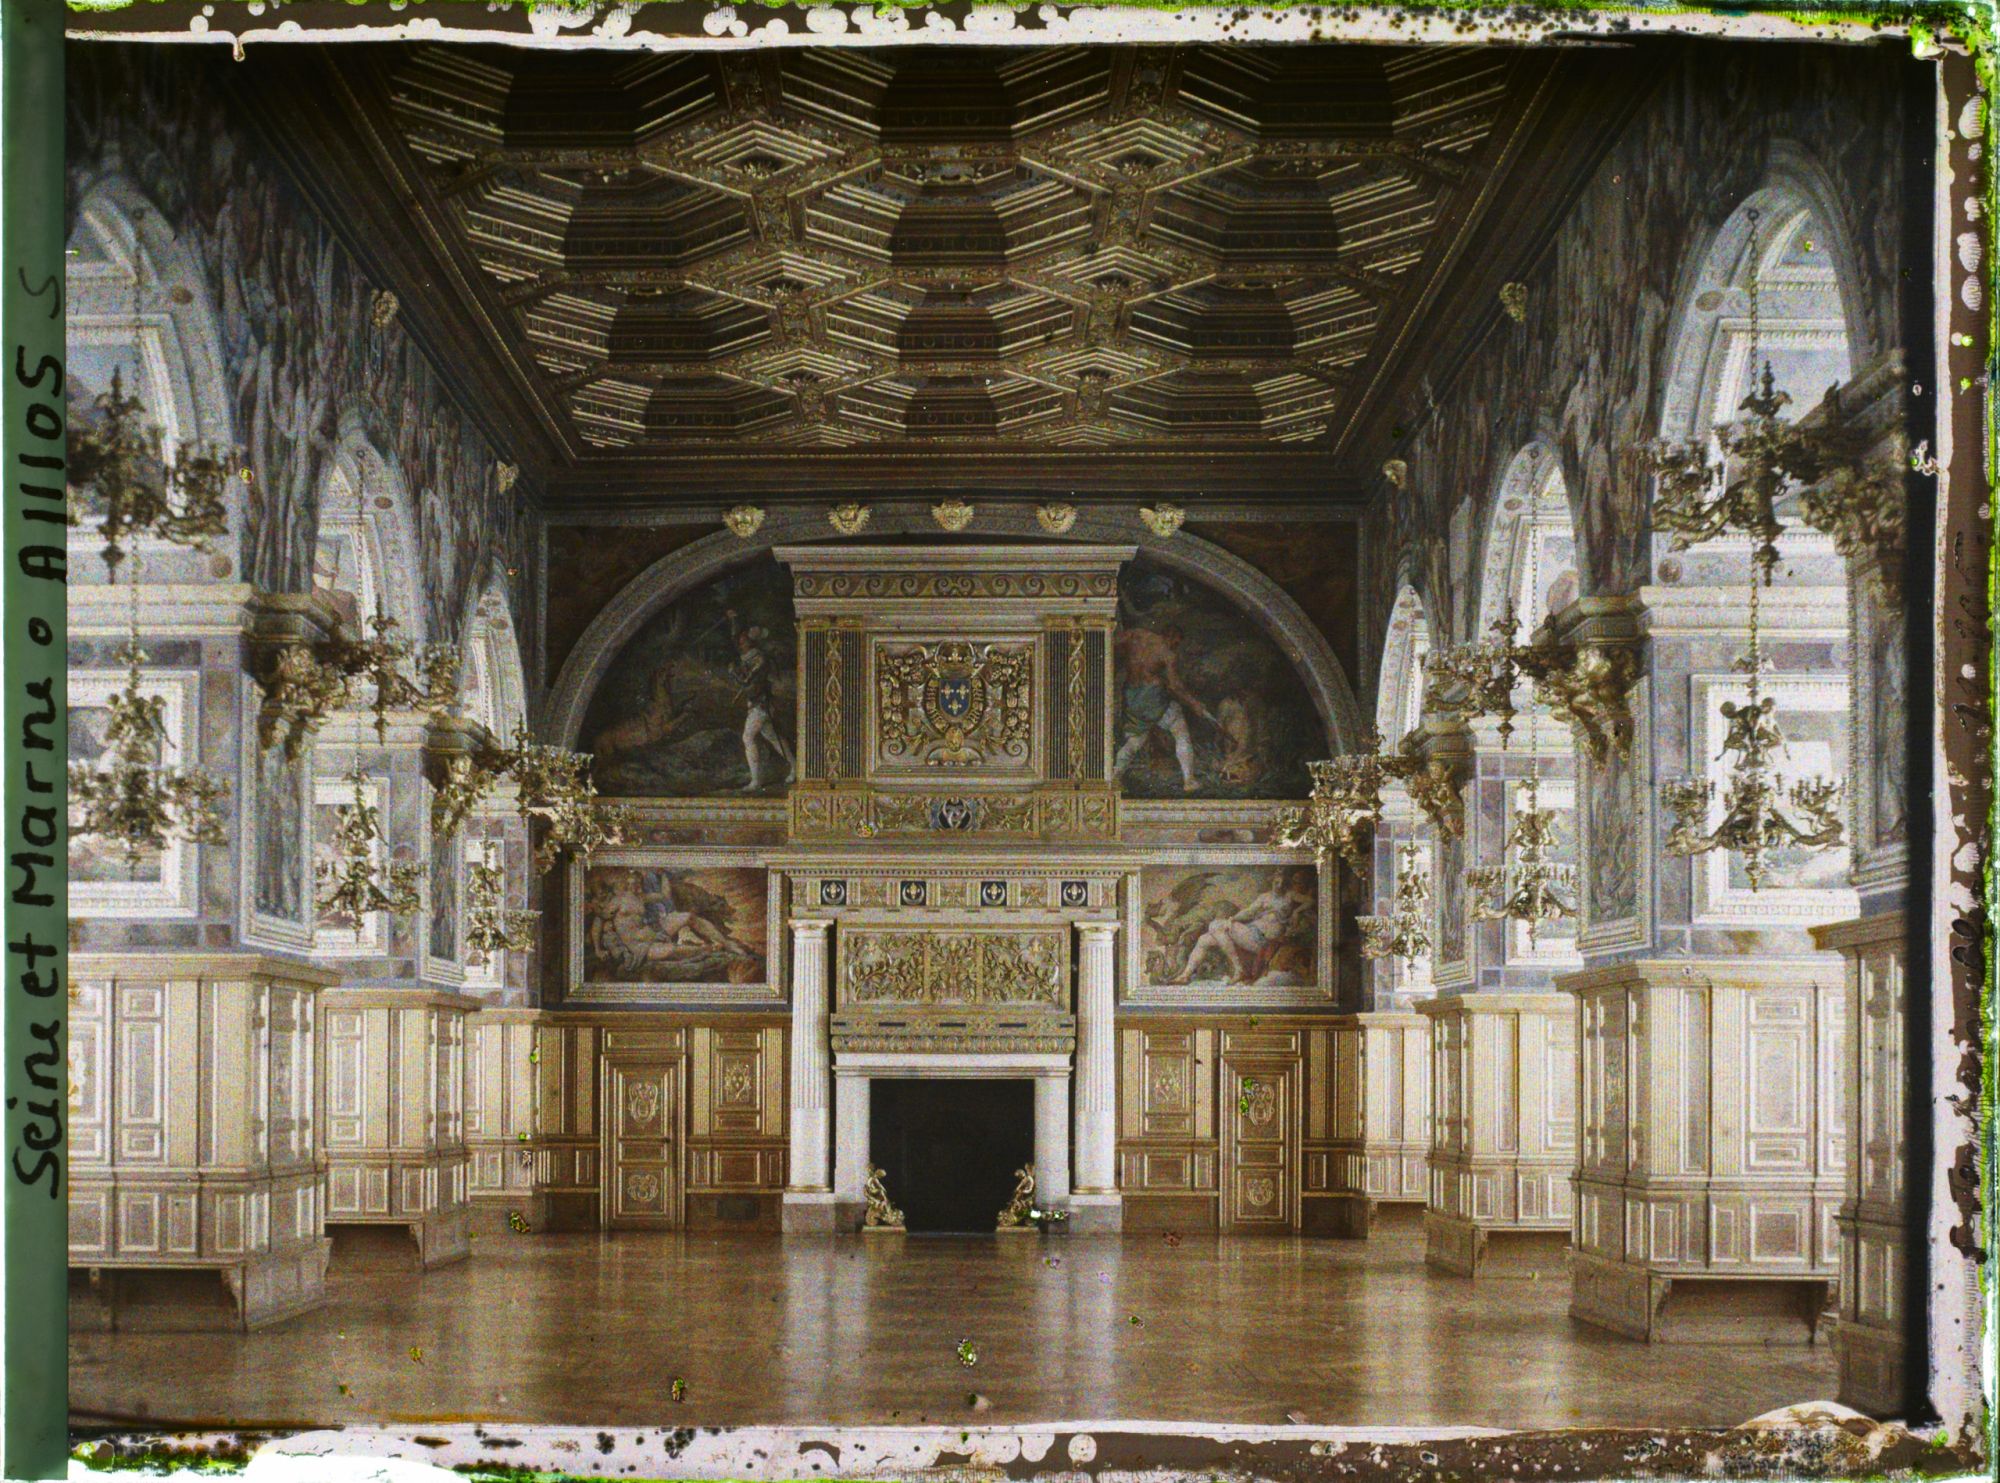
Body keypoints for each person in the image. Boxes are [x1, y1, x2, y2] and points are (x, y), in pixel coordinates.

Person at [1113, 623, 1217, 793]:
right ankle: (1189, 781)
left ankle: (1115, 776)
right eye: (1176, 642)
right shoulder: (1168, 654)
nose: (1176, 646)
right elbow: (1176, 687)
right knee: (1180, 731)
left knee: (1135, 740)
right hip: (1153, 697)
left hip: (1132, 697)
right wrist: (1195, 704)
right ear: (1171, 636)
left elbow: (1112, 644)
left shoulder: (1136, 634)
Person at [1173, 869, 1313, 984]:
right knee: (1204, 939)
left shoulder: (1289, 896)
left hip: (1262, 939)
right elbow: (1248, 912)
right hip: (1251, 932)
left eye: (1282, 883)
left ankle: (1238, 969)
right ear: (1272, 881)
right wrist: (1232, 919)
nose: (1279, 886)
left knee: (1215, 925)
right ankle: (1185, 975)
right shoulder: (1264, 897)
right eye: (1276, 882)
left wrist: (1296, 911)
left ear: (1285, 884)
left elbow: (1310, 901)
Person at [727, 608, 795, 792]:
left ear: (751, 640)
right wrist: (734, 619)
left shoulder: (759, 659)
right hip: (755, 704)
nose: (740, 640)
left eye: (744, 638)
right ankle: (796, 768)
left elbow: (749, 684)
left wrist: (734, 673)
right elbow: (734, 638)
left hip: (761, 704)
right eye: (740, 638)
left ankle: (756, 781)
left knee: (748, 737)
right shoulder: (746, 655)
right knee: (774, 738)